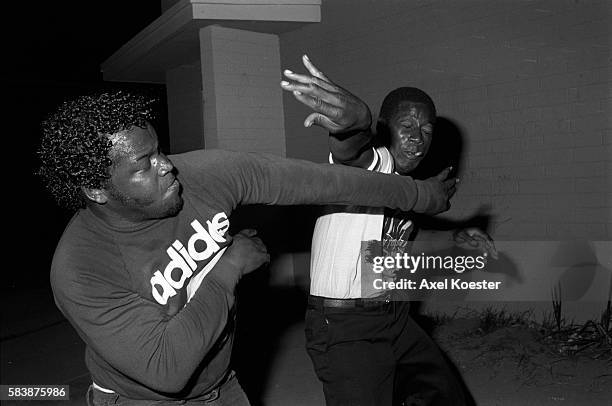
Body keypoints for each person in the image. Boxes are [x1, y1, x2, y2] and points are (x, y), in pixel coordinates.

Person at [38, 90, 457, 405]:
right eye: (143, 164)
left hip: (222, 383)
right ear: (97, 190)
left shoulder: (204, 176)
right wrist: (229, 267)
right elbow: (165, 367)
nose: (166, 164)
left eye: (159, 150)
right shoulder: (80, 266)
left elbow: (320, 181)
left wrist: (418, 194)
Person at [280, 55, 498, 405]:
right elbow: (352, 152)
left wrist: (453, 236)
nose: (417, 138)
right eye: (406, 125)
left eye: (426, 129)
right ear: (385, 128)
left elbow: (391, 246)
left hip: (392, 316)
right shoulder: (374, 167)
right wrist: (353, 125)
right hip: (345, 327)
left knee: (444, 394)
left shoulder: (406, 189)